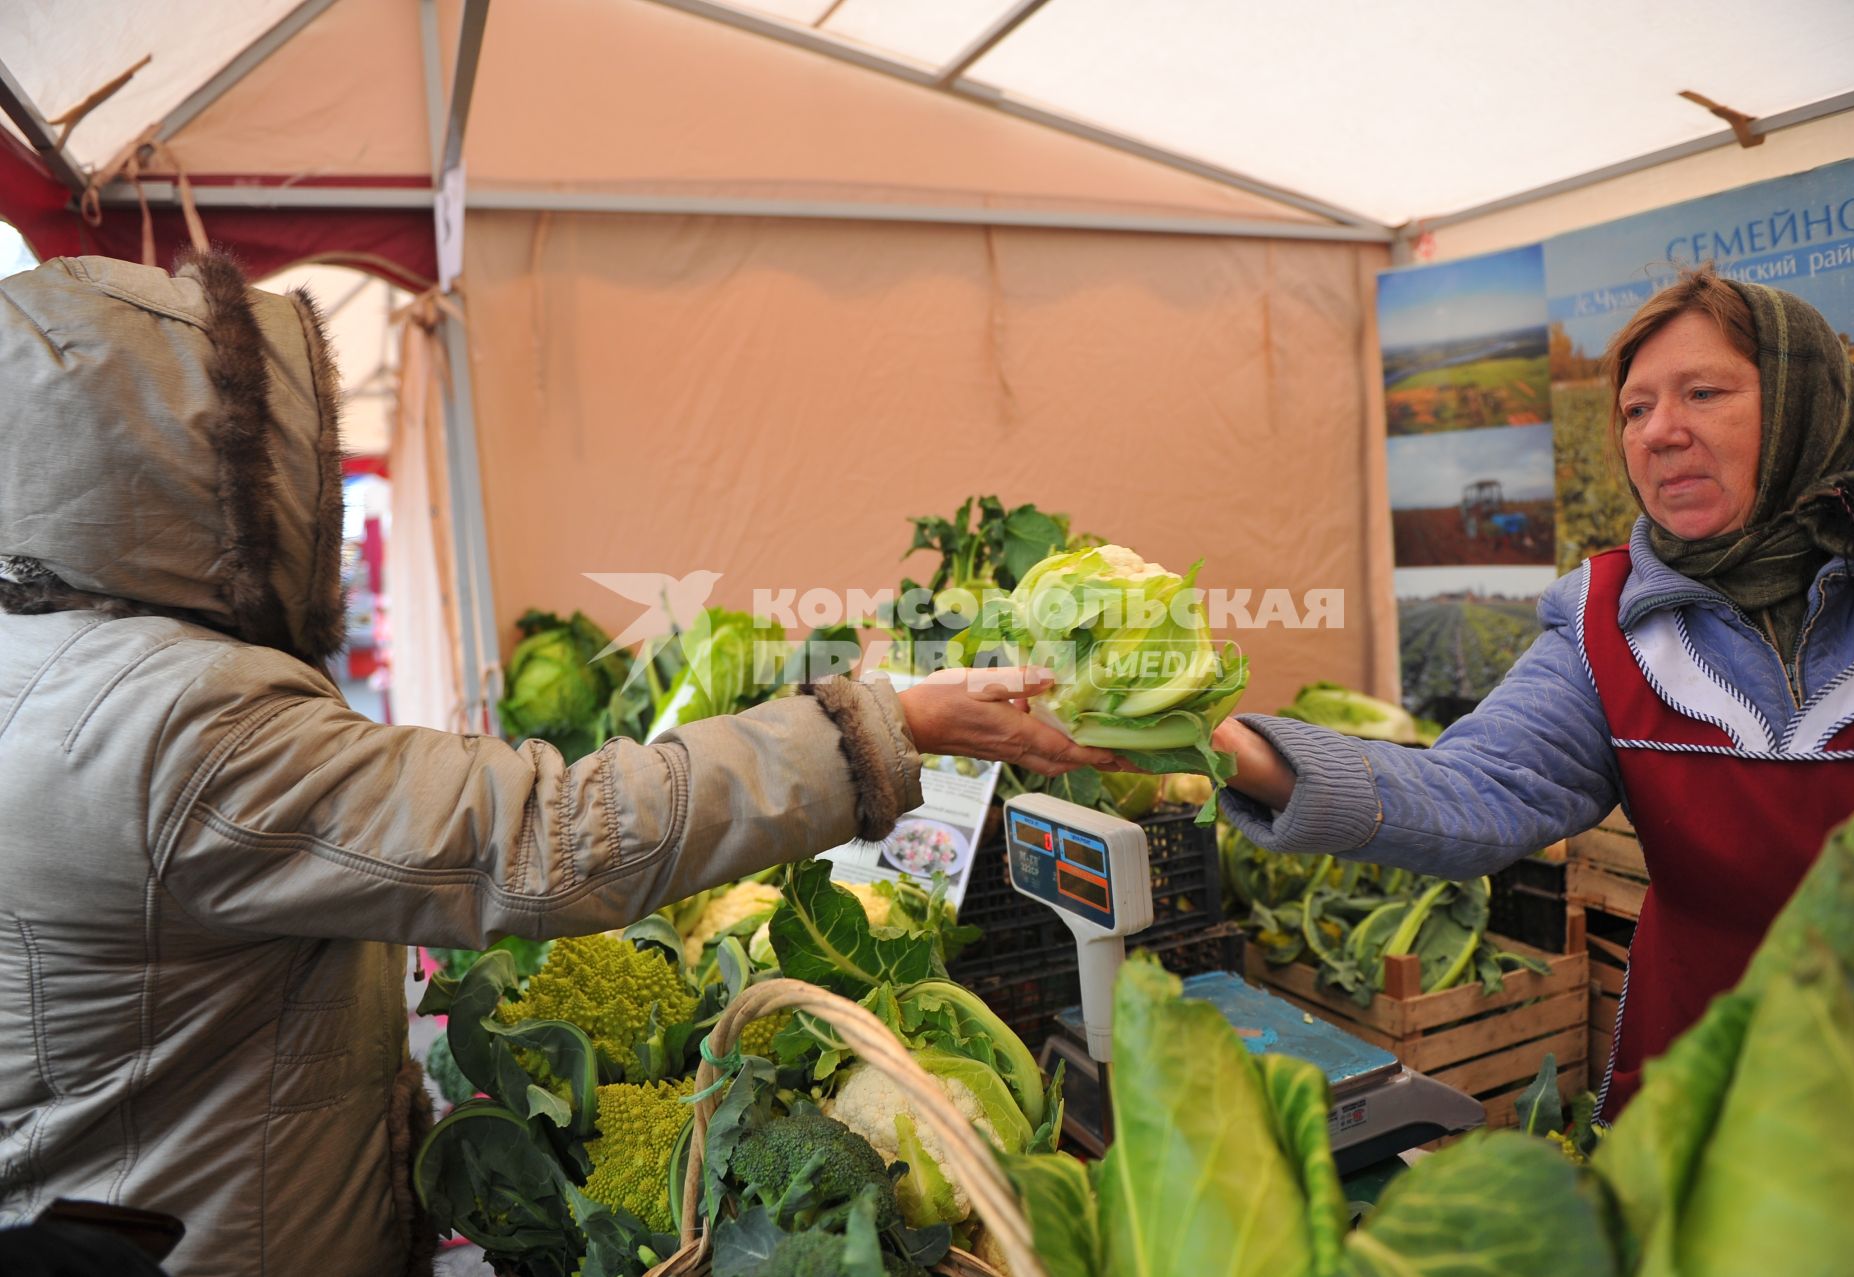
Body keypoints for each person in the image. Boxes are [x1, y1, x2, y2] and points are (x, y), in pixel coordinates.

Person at [0, 252, 1111, 1277]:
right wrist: (875, 727)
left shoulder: (49, 668)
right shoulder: (169, 719)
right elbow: (543, 835)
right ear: (203, 476)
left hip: (132, 1201)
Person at [1214, 264, 1854, 1119]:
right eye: (1634, 408)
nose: (1660, 432)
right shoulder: (1606, 625)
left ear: (1808, 407)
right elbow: (1477, 788)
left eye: (1702, 392)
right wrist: (1222, 745)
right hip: (1702, 1100)